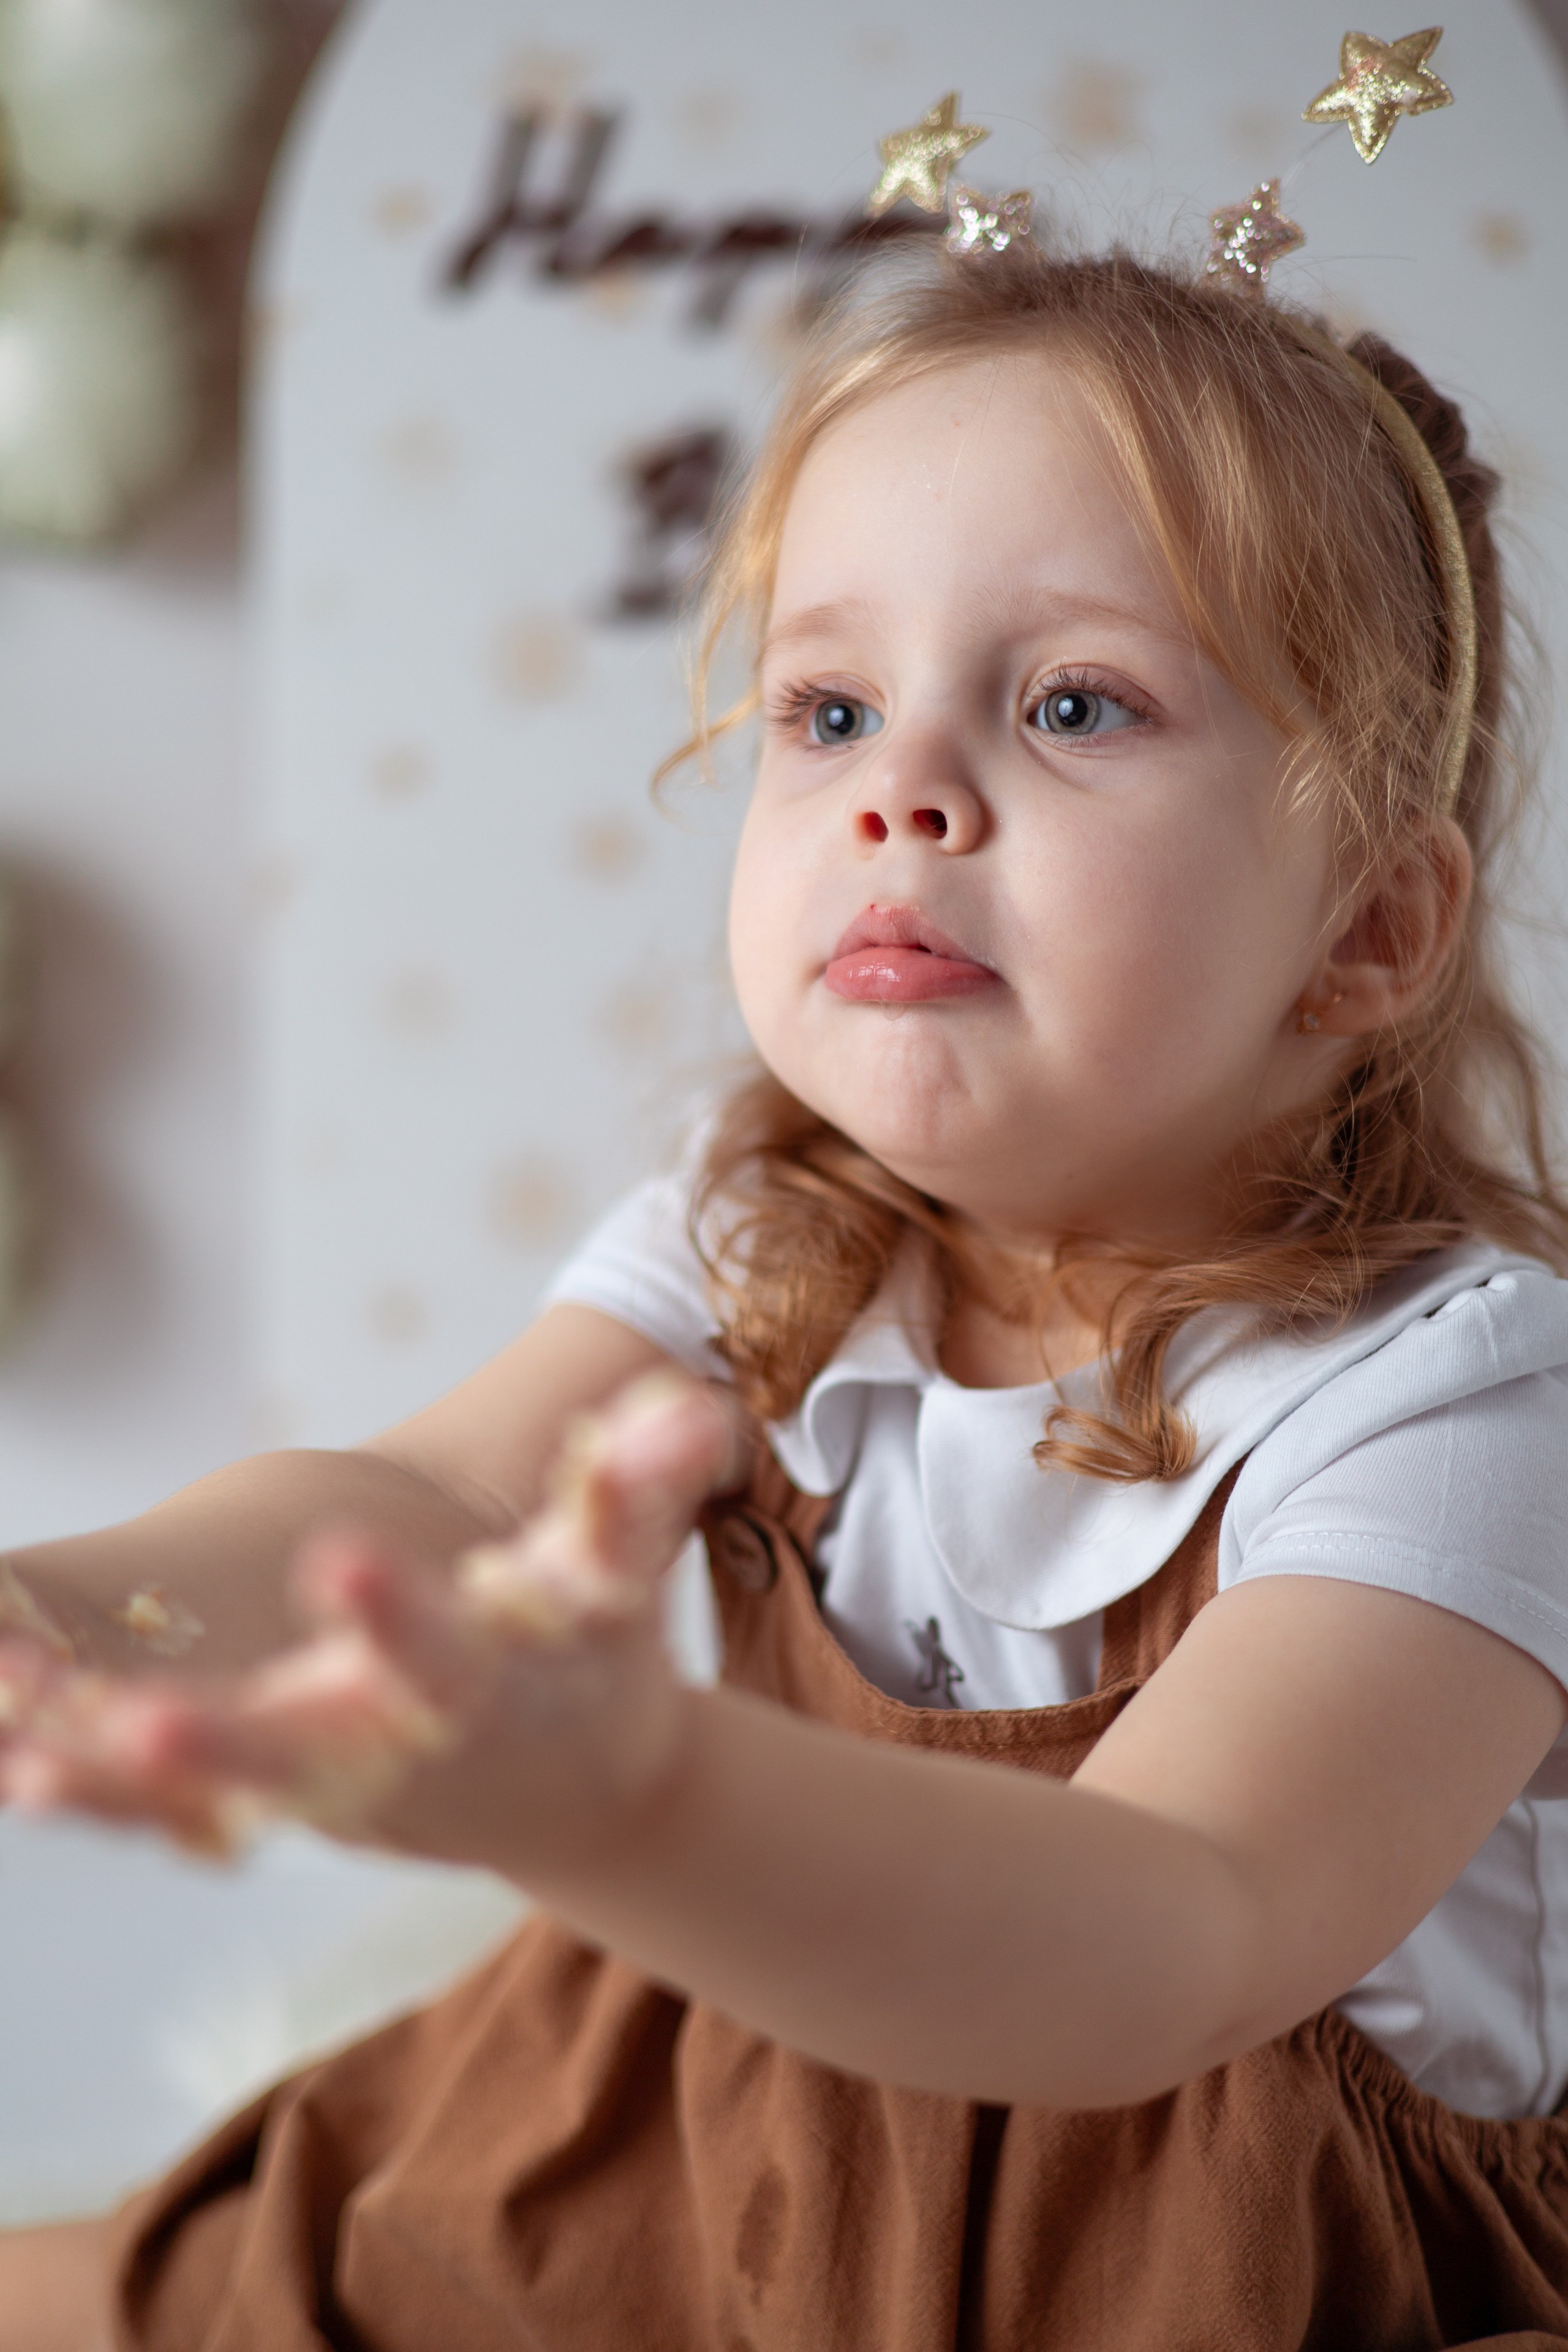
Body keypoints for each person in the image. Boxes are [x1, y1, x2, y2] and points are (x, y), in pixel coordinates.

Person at [6, 232, 1568, 2351]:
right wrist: (85, 1606)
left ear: (1367, 933)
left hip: (1178, 2259)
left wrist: (629, 1796)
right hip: (713, 2144)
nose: (897, 790)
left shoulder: (1460, 1405)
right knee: (156, 2288)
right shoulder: (772, 1232)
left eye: (1075, 703)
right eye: (828, 708)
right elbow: (432, 1509)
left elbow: (1163, 1936)